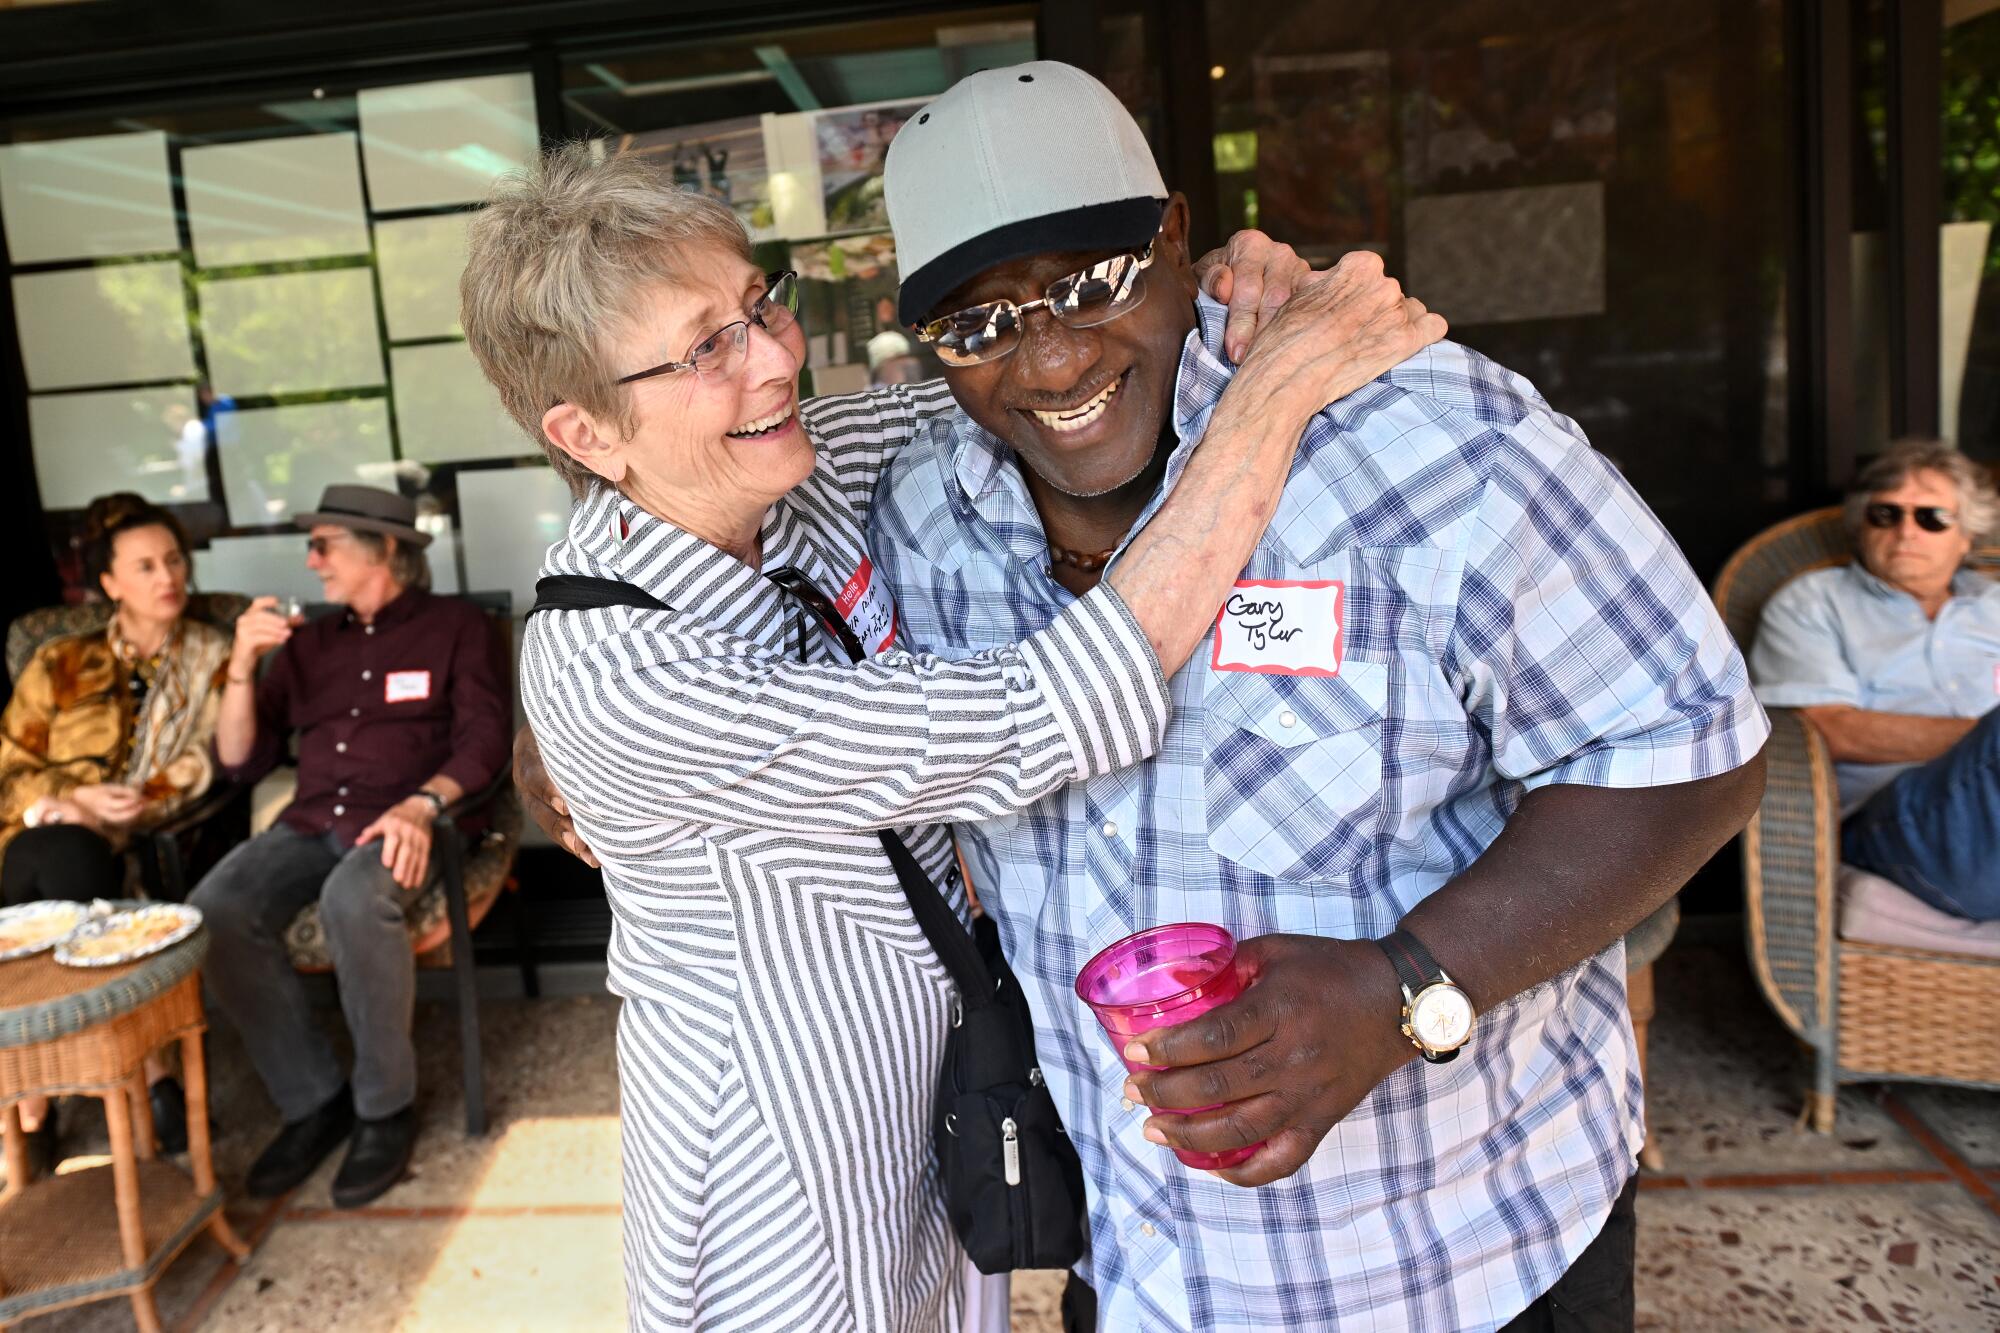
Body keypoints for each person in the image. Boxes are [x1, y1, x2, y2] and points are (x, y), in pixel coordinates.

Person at [466, 138, 1439, 1331]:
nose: (774, 361)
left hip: (940, 1089)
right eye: (704, 351)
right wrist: (1276, 391)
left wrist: (1212, 294)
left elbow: (1027, 378)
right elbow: (1050, 709)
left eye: (758, 307)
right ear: (586, 435)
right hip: (782, 1156)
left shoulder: (795, 473)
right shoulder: (624, 673)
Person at [856, 63, 1770, 1331]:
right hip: (1139, 1272)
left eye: (1091, 283)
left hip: (1468, 1260)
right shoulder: (918, 517)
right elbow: (714, 455)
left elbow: (1689, 746)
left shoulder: (1426, 442)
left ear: (1177, 241)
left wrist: (1400, 988)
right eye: (977, 321)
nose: (1051, 355)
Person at [188, 485, 509, 1208]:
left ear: (386, 548)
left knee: (353, 900)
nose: (312, 560)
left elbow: (486, 740)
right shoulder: (306, 644)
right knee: (216, 906)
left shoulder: (458, 627)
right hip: (309, 822)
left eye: (324, 543)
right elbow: (241, 758)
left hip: (407, 819)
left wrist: (424, 805)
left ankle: (383, 1107)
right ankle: (313, 1099)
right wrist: (241, 665)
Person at [0, 491, 231, 1170]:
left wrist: (122, 804)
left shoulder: (210, 655)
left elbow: (206, 759)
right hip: (33, 830)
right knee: (56, 858)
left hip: (137, 831)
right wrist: (65, 800)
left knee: (65, 868)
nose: (168, 577)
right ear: (109, 584)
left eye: (174, 561)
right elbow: (12, 766)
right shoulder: (58, 662)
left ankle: (29, 1103)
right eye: (146, 566)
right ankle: (148, 1075)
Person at [1750, 438, 2000, 921]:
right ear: (1861, 526)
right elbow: (1830, 728)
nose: (1906, 531)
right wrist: (1985, 744)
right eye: (1886, 514)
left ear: (1967, 535)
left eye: (1931, 518)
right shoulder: (1813, 603)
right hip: (1898, 826)